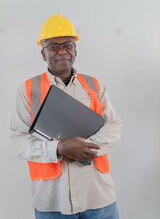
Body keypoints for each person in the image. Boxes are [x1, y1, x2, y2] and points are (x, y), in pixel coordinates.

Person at [10, 13, 122, 219]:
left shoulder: (95, 85)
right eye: (53, 46)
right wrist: (59, 149)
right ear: (43, 53)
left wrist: (84, 147)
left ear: (75, 49)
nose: (62, 51)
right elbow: (19, 140)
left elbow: (114, 126)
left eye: (68, 44)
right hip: (52, 201)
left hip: (98, 197)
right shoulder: (28, 90)